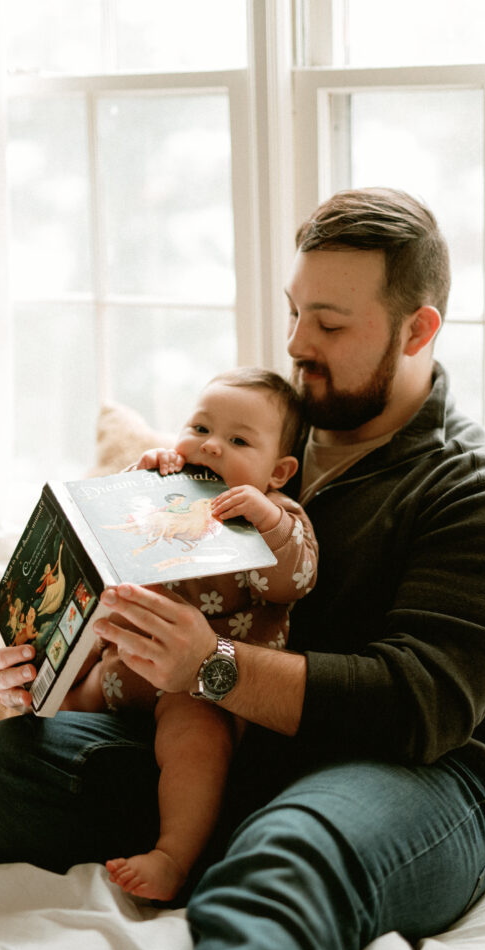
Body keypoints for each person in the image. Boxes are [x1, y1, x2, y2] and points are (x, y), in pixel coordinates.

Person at [0, 187, 485, 950]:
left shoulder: (483, 496)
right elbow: (157, 595)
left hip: (418, 769)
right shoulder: (252, 440)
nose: (298, 342)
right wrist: (59, 661)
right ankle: (217, 843)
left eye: (330, 325)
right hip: (232, 744)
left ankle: (274, 868)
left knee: (286, 856)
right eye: (295, 312)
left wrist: (212, 667)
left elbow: (420, 705)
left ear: (418, 330)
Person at [61, 368, 318, 901]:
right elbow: (112, 536)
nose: (212, 447)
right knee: (51, 703)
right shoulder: (164, 490)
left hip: (202, 690)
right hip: (122, 669)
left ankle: (172, 854)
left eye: (239, 440)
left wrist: (267, 521)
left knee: (196, 745)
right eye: (200, 428)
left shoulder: (276, 516)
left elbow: (294, 580)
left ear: (279, 471)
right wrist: (138, 481)